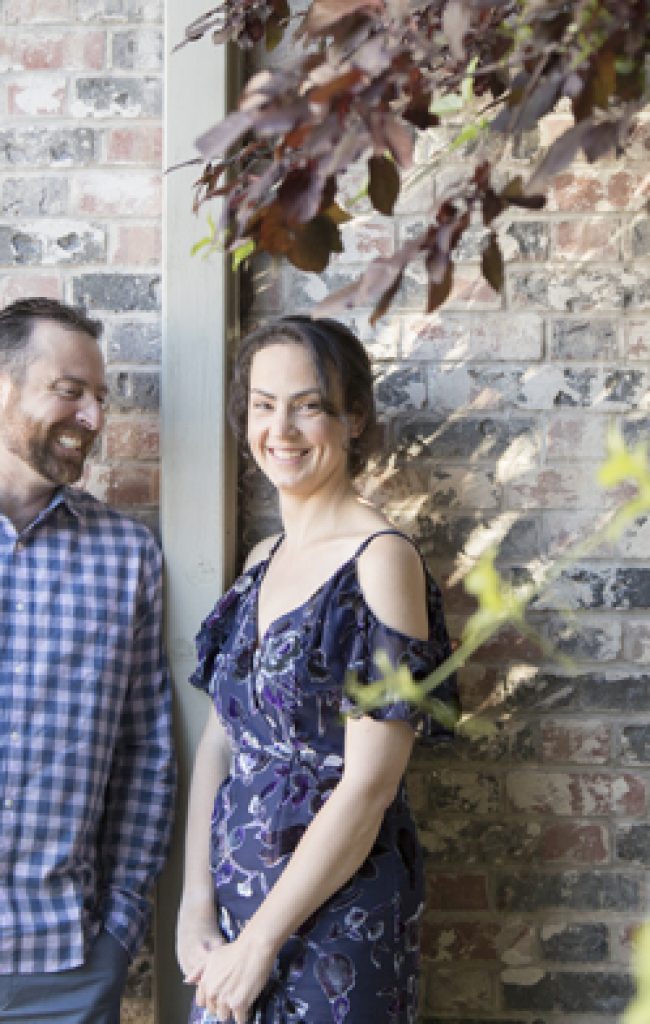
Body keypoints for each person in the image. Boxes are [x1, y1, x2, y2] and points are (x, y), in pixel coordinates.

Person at [177, 316, 458, 1024]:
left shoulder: (381, 560)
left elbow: (370, 785)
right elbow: (220, 743)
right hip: (232, 922)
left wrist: (262, 943)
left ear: (353, 417)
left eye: (307, 405)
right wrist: (195, 906)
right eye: (263, 405)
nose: (281, 430)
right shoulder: (259, 561)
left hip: (337, 927)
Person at [0, 297, 176, 1024]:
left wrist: (120, 928)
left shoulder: (126, 556)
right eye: (69, 391)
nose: (93, 418)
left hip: (63, 971)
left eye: (99, 397)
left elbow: (146, 753)